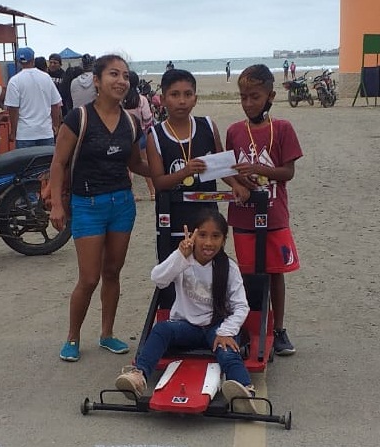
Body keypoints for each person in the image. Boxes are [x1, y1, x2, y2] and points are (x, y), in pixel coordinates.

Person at [48, 54, 150, 362]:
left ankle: (107, 334)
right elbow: (58, 163)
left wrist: (172, 173)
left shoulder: (131, 122)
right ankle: (72, 337)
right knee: (89, 278)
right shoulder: (78, 118)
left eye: (125, 76)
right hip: (88, 205)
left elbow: (136, 164)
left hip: (122, 204)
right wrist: (57, 204)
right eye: (113, 74)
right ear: (97, 80)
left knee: (112, 272)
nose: (121, 81)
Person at [114, 209, 258, 414]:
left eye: (216, 236)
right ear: (192, 235)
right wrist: (180, 256)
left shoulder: (229, 267)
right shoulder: (182, 260)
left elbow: (241, 306)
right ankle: (139, 376)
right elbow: (158, 279)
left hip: (217, 328)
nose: (208, 242)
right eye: (202, 235)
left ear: (224, 240)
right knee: (161, 330)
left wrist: (227, 331)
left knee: (228, 352)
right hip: (186, 327)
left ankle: (244, 390)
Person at [225, 64, 302, 356]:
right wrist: (238, 182)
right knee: (247, 274)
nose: (248, 103)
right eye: (243, 97)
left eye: (254, 97)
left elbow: (288, 172)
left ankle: (278, 329)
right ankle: (250, 328)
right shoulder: (235, 131)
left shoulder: (282, 129)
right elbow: (227, 170)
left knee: (274, 273)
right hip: (243, 216)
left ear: (270, 96)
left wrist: (259, 169)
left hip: (274, 215)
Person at [145, 68, 224, 307]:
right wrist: (184, 172)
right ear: (162, 99)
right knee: (173, 277)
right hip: (172, 222)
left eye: (188, 94)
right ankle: (171, 319)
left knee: (208, 276)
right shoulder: (155, 135)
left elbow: (222, 166)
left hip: (207, 221)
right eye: (175, 94)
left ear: (195, 98)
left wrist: (239, 186)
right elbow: (159, 182)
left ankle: (210, 318)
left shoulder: (207, 126)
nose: (182, 101)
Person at [4, 47, 62, 148]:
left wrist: (13, 131)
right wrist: (55, 125)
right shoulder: (46, 78)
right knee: (46, 158)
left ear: (18, 62)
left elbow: (13, 109)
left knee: (24, 159)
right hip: (45, 132)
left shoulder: (14, 81)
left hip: (24, 134)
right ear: (33, 60)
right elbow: (55, 105)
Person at [123, 70, 155, 200]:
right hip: (140, 135)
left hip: (124, 135)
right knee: (144, 163)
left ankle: (131, 193)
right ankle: (152, 192)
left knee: (126, 167)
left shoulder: (120, 99)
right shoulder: (141, 99)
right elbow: (147, 119)